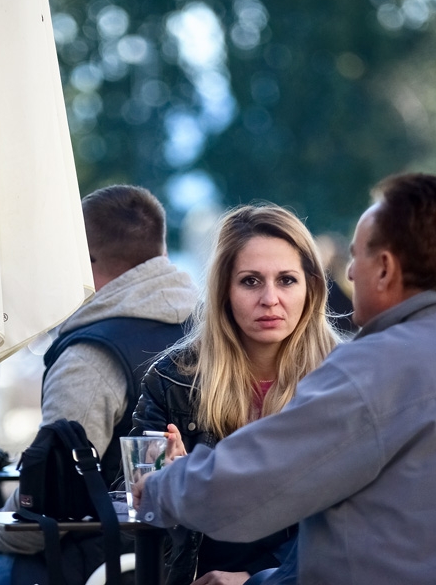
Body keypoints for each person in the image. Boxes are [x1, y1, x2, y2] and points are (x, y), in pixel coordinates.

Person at [134, 173, 436, 584]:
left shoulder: (365, 371)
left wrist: (159, 485)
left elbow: (244, 488)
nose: (349, 272)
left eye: (357, 256)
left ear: (386, 268)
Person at [0, 184, 198, 585]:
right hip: (190, 560)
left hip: (97, 566)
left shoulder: (90, 357)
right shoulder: (209, 335)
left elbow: (50, 503)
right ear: (159, 250)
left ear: (81, 260)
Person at [130, 204, 338, 585]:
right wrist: (169, 486)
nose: (270, 299)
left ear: (311, 288)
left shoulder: (343, 379)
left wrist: (255, 577)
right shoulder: (173, 379)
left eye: (286, 280)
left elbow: (355, 516)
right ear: (224, 290)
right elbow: (134, 504)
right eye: (251, 281)